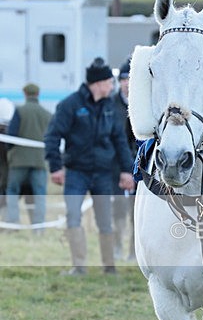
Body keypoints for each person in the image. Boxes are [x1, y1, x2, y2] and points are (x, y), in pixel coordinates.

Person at [44, 57, 135, 275]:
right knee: (73, 216)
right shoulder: (70, 105)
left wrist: (126, 170)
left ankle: (109, 266)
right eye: (109, 82)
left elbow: (120, 141)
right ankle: (79, 266)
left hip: (103, 174)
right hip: (76, 172)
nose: (113, 86)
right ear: (98, 83)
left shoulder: (110, 108)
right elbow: (52, 137)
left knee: (105, 221)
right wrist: (55, 167)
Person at [5, 83, 51, 229]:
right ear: (38, 94)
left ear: (25, 94)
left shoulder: (19, 111)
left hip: (18, 161)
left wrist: (9, 151)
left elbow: (11, 137)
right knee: (40, 196)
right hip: (39, 162)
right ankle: (39, 227)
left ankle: (13, 223)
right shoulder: (47, 114)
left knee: (12, 191)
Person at [111, 58, 137, 260]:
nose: (127, 83)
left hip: (138, 166)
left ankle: (133, 251)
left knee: (136, 213)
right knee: (117, 211)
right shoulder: (110, 105)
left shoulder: (142, 105)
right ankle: (117, 246)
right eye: (124, 79)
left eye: (131, 78)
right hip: (115, 167)